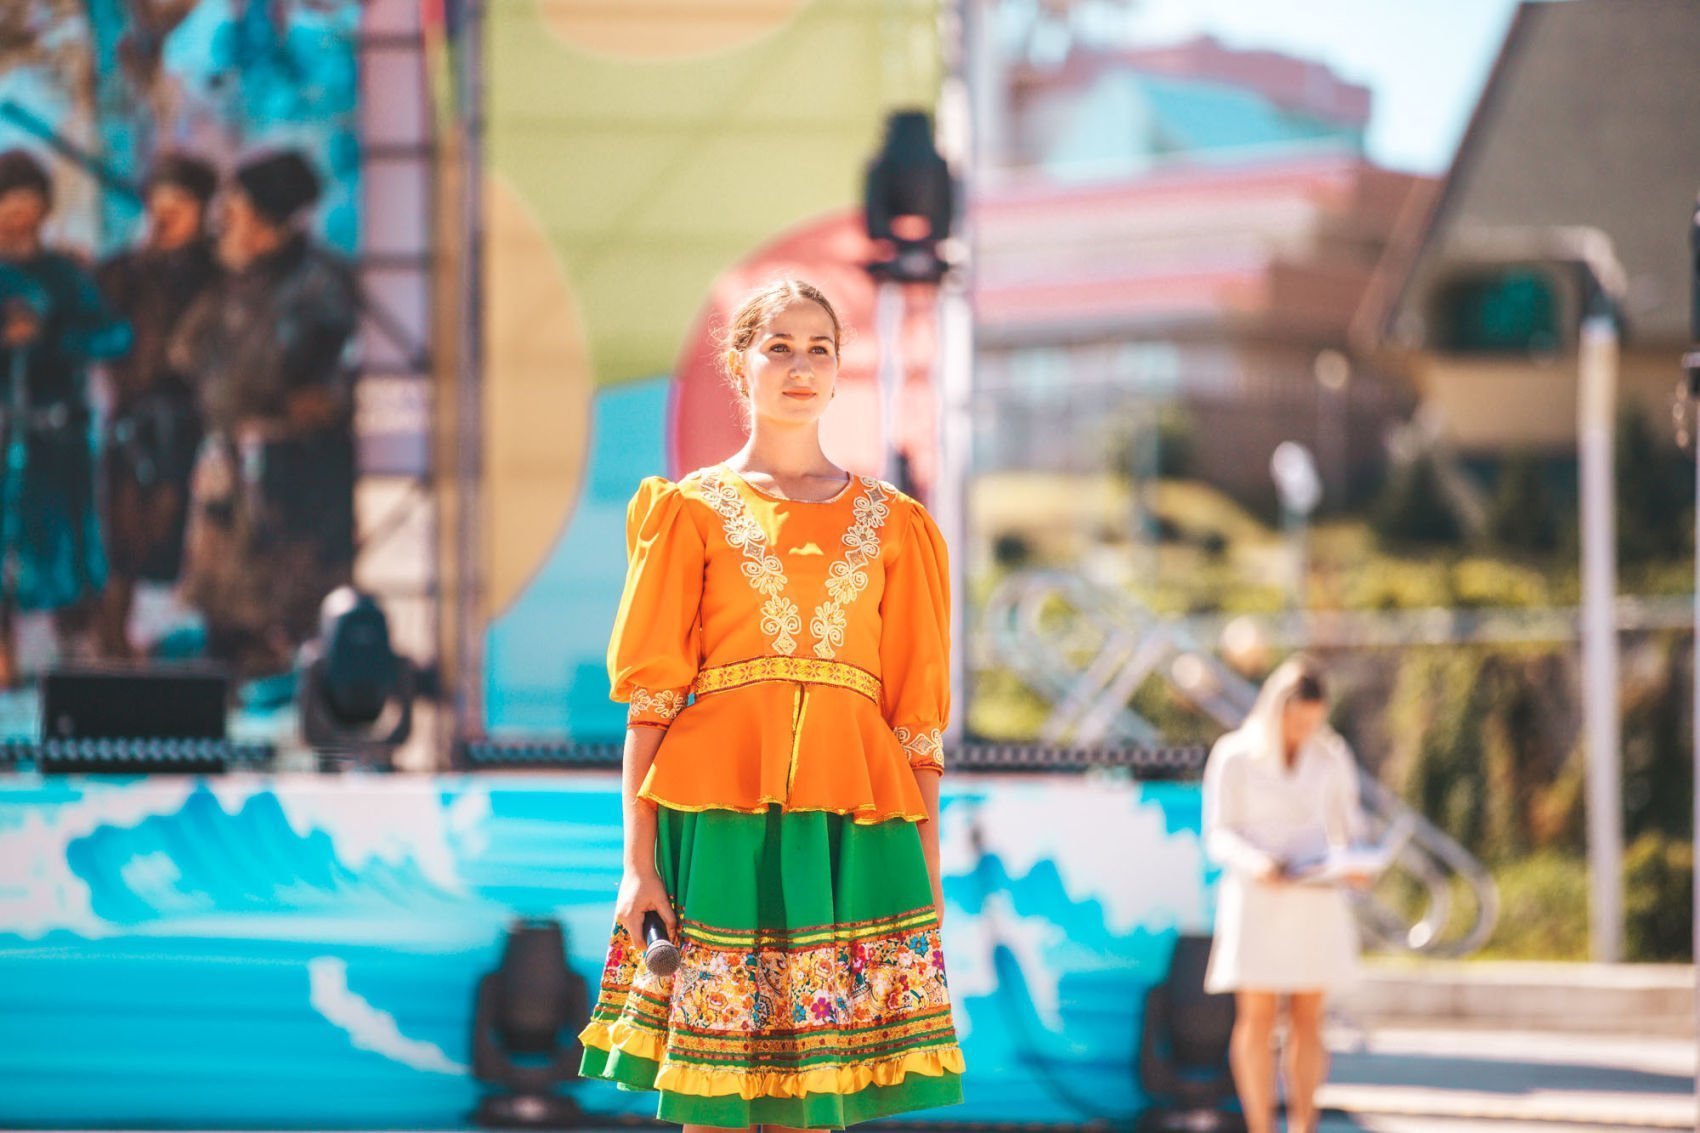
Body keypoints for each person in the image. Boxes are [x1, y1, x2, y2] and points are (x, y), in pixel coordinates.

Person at [578, 279, 966, 1128]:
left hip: (849, 829)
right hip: (715, 823)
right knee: (714, 1092)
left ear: (839, 369)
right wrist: (636, 865)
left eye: (819, 348)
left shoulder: (897, 524)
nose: (800, 366)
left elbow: (917, 723)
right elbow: (650, 702)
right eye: (778, 346)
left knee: (817, 1096)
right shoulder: (687, 510)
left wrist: (928, 868)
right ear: (738, 363)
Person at [169, 148, 359, 680]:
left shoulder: (323, 284)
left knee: (294, 607)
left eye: (237, 209)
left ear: (266, 217)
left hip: (298, 474)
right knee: (225, 616)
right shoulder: (227, 281)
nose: (225, 220)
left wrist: (313, 402)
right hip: (230, 466)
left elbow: (337, 374)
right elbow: (185, 353)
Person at [1201, 656, 1368, 1133]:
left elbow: (1350, 826)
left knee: (1308, 1019)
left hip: (1314, 901)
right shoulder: (1234, 754)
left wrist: (1356, 864)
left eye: (1312, 723)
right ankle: (1260, 1125)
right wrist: (1257, 863)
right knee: (1256, 1018)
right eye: (1296, 722)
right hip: (1257, 899)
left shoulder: (1332, 754)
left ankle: (1303, 1123)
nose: (1303, 732)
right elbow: (1218, 833)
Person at [0, 149, 130, 685]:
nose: (16, 218)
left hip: (56, 443)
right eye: (8, 206)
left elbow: (113, 335)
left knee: (65, 553)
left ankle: (75, 654)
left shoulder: (64, 275)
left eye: (26, 206)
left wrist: (51, 336)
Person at [93, 152, 222, 659]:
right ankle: (115, 641)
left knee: (185, 531)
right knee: (123, 533)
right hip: (131, 420)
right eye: (159, 205)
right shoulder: (124, 272)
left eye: (179, 206)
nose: (166, 217)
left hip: (193, 423)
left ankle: (187, 643)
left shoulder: (216, 275)